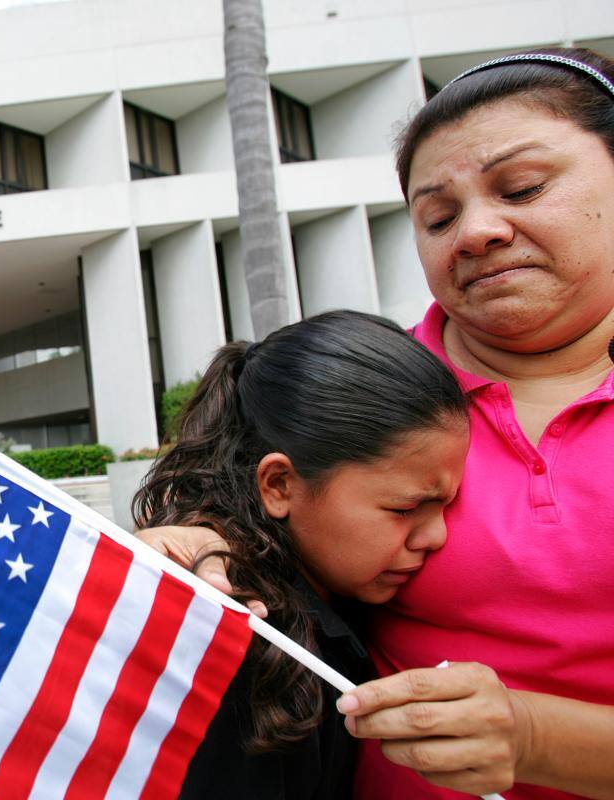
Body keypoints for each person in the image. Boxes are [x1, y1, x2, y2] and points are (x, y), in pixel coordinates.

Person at [139, 47, 614, 799]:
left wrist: (532, 736)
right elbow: (267, 516)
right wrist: (205, 541)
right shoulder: (377, 389)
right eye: (438, 215)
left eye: (522, 187)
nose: (478, 231)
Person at [133, 310, 470, 799]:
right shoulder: (246, 644)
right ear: (279, 484)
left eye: (448, 505)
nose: (435, 536)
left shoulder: (331, 597)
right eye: (405, 508)